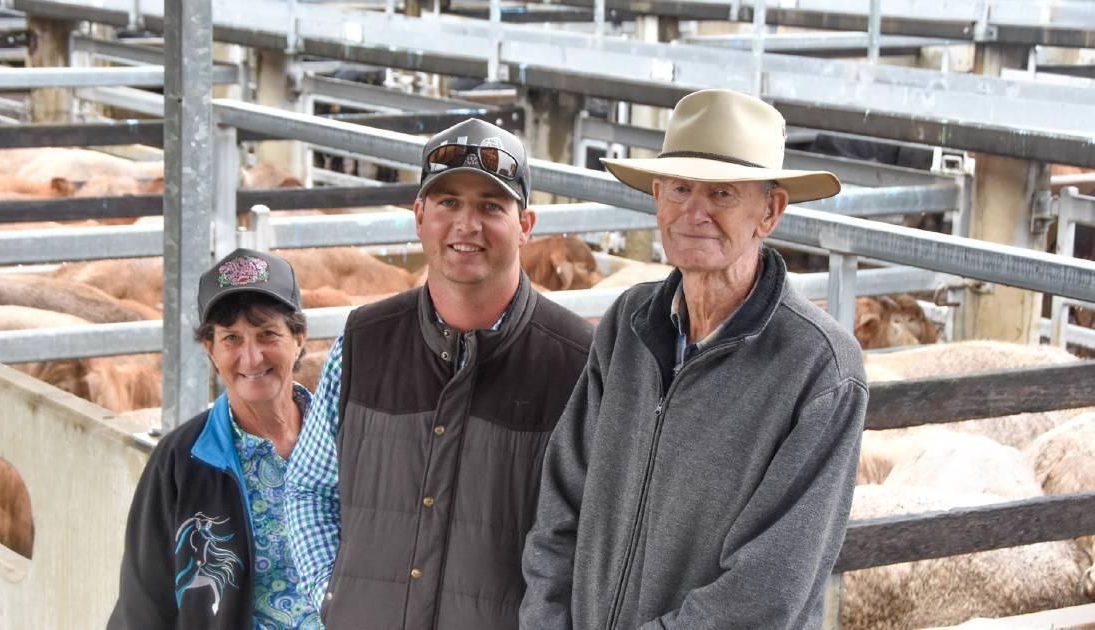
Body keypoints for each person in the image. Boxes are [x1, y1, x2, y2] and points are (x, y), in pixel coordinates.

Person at [519, 89, 869, 629]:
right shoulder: (627, 326)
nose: (694, 212)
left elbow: (768, 587)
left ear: (769, 211)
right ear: (657, 195)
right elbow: (561, 502)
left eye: (722, 193)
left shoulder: (819, 369)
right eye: (680, 188)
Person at [287, 118, 594, 629]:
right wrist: (333, 594)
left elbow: (598, 536)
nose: (466, 224)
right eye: (448, 202)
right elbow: (309, 488)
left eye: (490, 206)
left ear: (526, 225)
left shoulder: (577, 364)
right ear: (419, 215)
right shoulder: (363, 341)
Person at [108, 248, 321, 630]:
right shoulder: (182, 460)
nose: (252, 357)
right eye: (232, 339)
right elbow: (144, 602)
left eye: (268, 333)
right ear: (210, 348)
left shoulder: (347, 438)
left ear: (299, 337)